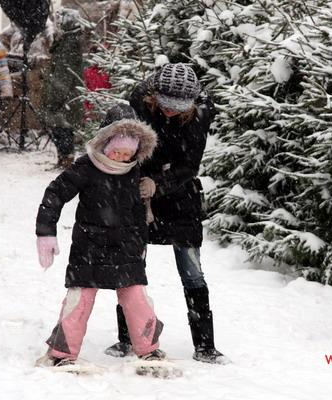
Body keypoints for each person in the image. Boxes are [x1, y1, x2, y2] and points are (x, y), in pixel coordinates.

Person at [104, 63, 228, 364]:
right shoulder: (138, 106)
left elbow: (189, 166)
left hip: (182, 197)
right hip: (138, 195)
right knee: (132, 268)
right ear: (154, 96)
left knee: (192, 272)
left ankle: (205, 345)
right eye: (165, 105)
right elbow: (124, 149)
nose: (170, 112)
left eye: (177, 108)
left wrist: (159, 183)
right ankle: (127, 338)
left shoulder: (199, 114)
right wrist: (135, 181)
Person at [34, 104, 164, 367]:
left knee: (137, 299)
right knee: (79, 300)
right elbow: (55, 194)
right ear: (105, 145)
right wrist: (46, 232)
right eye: (117, 151)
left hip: (125, 247)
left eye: (128, 154)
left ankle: (149, 350)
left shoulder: (132, 170)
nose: (122, 158)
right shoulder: (86, 166)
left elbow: (137, 210)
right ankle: (61, 353)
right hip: (89, 247)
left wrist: (140, 243)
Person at [41, 7, 84, 169]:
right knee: (60, 128)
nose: (56, 24)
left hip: (65, 97)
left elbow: (63, 75)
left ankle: (67, 159)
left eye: (59, 21)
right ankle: (63, 158)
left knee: (63, 129)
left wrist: (55, 98)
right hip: (64, 95)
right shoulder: (66, 41)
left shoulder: (69, 44)